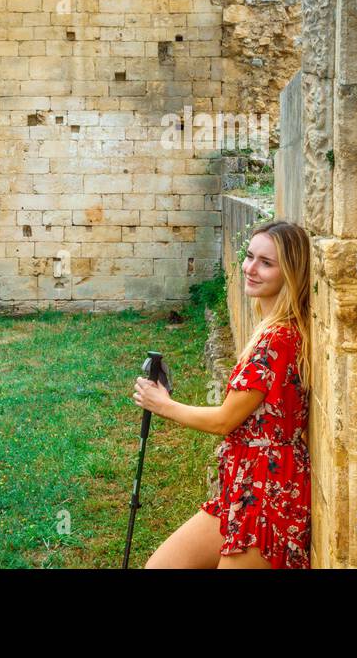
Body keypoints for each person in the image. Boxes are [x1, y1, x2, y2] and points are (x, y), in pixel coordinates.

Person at [132, 220, 312, 569]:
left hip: (267, 492)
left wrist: (163, 405)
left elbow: (224, 420)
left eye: (266, 263)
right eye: (249, 256)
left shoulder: (278, 340)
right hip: (241, 487)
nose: (251, 269)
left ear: (290, 273)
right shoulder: (268, 331)